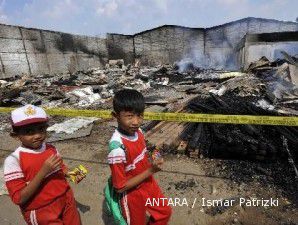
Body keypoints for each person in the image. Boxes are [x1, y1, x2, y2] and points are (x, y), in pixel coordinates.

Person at [3, 104, 81, 225]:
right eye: (29, 132)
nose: (37, 135)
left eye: (41, 129)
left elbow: (60, 168)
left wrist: (71, 174)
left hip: (66, 199)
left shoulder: (50, 148)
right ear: (16, 136)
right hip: (40, 210)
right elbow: (19, 198)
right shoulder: (14, 160)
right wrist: (43, 172)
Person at [105, 89, 172, 225]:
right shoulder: (117, 150)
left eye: (140, 116)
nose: (136, 121)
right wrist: (150, 171)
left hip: (148, 182)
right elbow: (120, 187)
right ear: (115, 116)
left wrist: (153, 156)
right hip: (132, 193)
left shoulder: (139, 132)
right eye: (129, 116)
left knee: (164, 211)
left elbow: (142, 152)